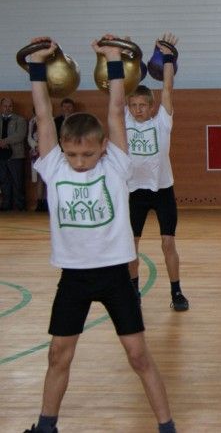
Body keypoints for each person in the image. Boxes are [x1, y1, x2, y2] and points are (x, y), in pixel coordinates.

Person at [23, 35, 177, 433]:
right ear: (62, 150)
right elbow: (43, 115)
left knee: (138, 355)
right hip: (73, 278)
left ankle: (167, 427)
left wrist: (113, 62)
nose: (78, 161)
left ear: (104, 147)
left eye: (87, 154)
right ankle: (46, 427)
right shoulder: (54, 167)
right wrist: (37, 65)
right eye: (72, 154)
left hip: (115, 277)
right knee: (59, 355)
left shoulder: (116, 166)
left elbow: (115, 109)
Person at [125, 33, 189, 312]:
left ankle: (177, 292)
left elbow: (167, 89)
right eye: (134, 106)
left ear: (151, 107)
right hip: (134, 191)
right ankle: (133, 292)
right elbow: (119, 87)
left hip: (163, 190)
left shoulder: (162, 122)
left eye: (142, 105)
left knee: (168, 243)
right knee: (131, 245)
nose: (138, 110)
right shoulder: (124, 122)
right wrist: (126, 57)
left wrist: (168, 58)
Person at [0, 96, 28, 211]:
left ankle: (20, 206)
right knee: (4, 181)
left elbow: (20, 135)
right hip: (1, 155)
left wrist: (4, 141)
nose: (7, 108)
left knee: (18, 181)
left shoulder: (20, 120)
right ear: (1, 107)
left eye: (10, 106)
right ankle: (6, 205)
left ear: (13, 107)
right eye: (5, 106)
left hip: (16, 155)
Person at [28, 106, 47, 212]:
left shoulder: (50, 119)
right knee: (39, 177)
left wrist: (44, 146)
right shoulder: (32, 121)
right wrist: (35, 146)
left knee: (48, 178)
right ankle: (40, 202)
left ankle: (48, 202)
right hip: (36, 152)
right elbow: (29, 137)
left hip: (47, 151)